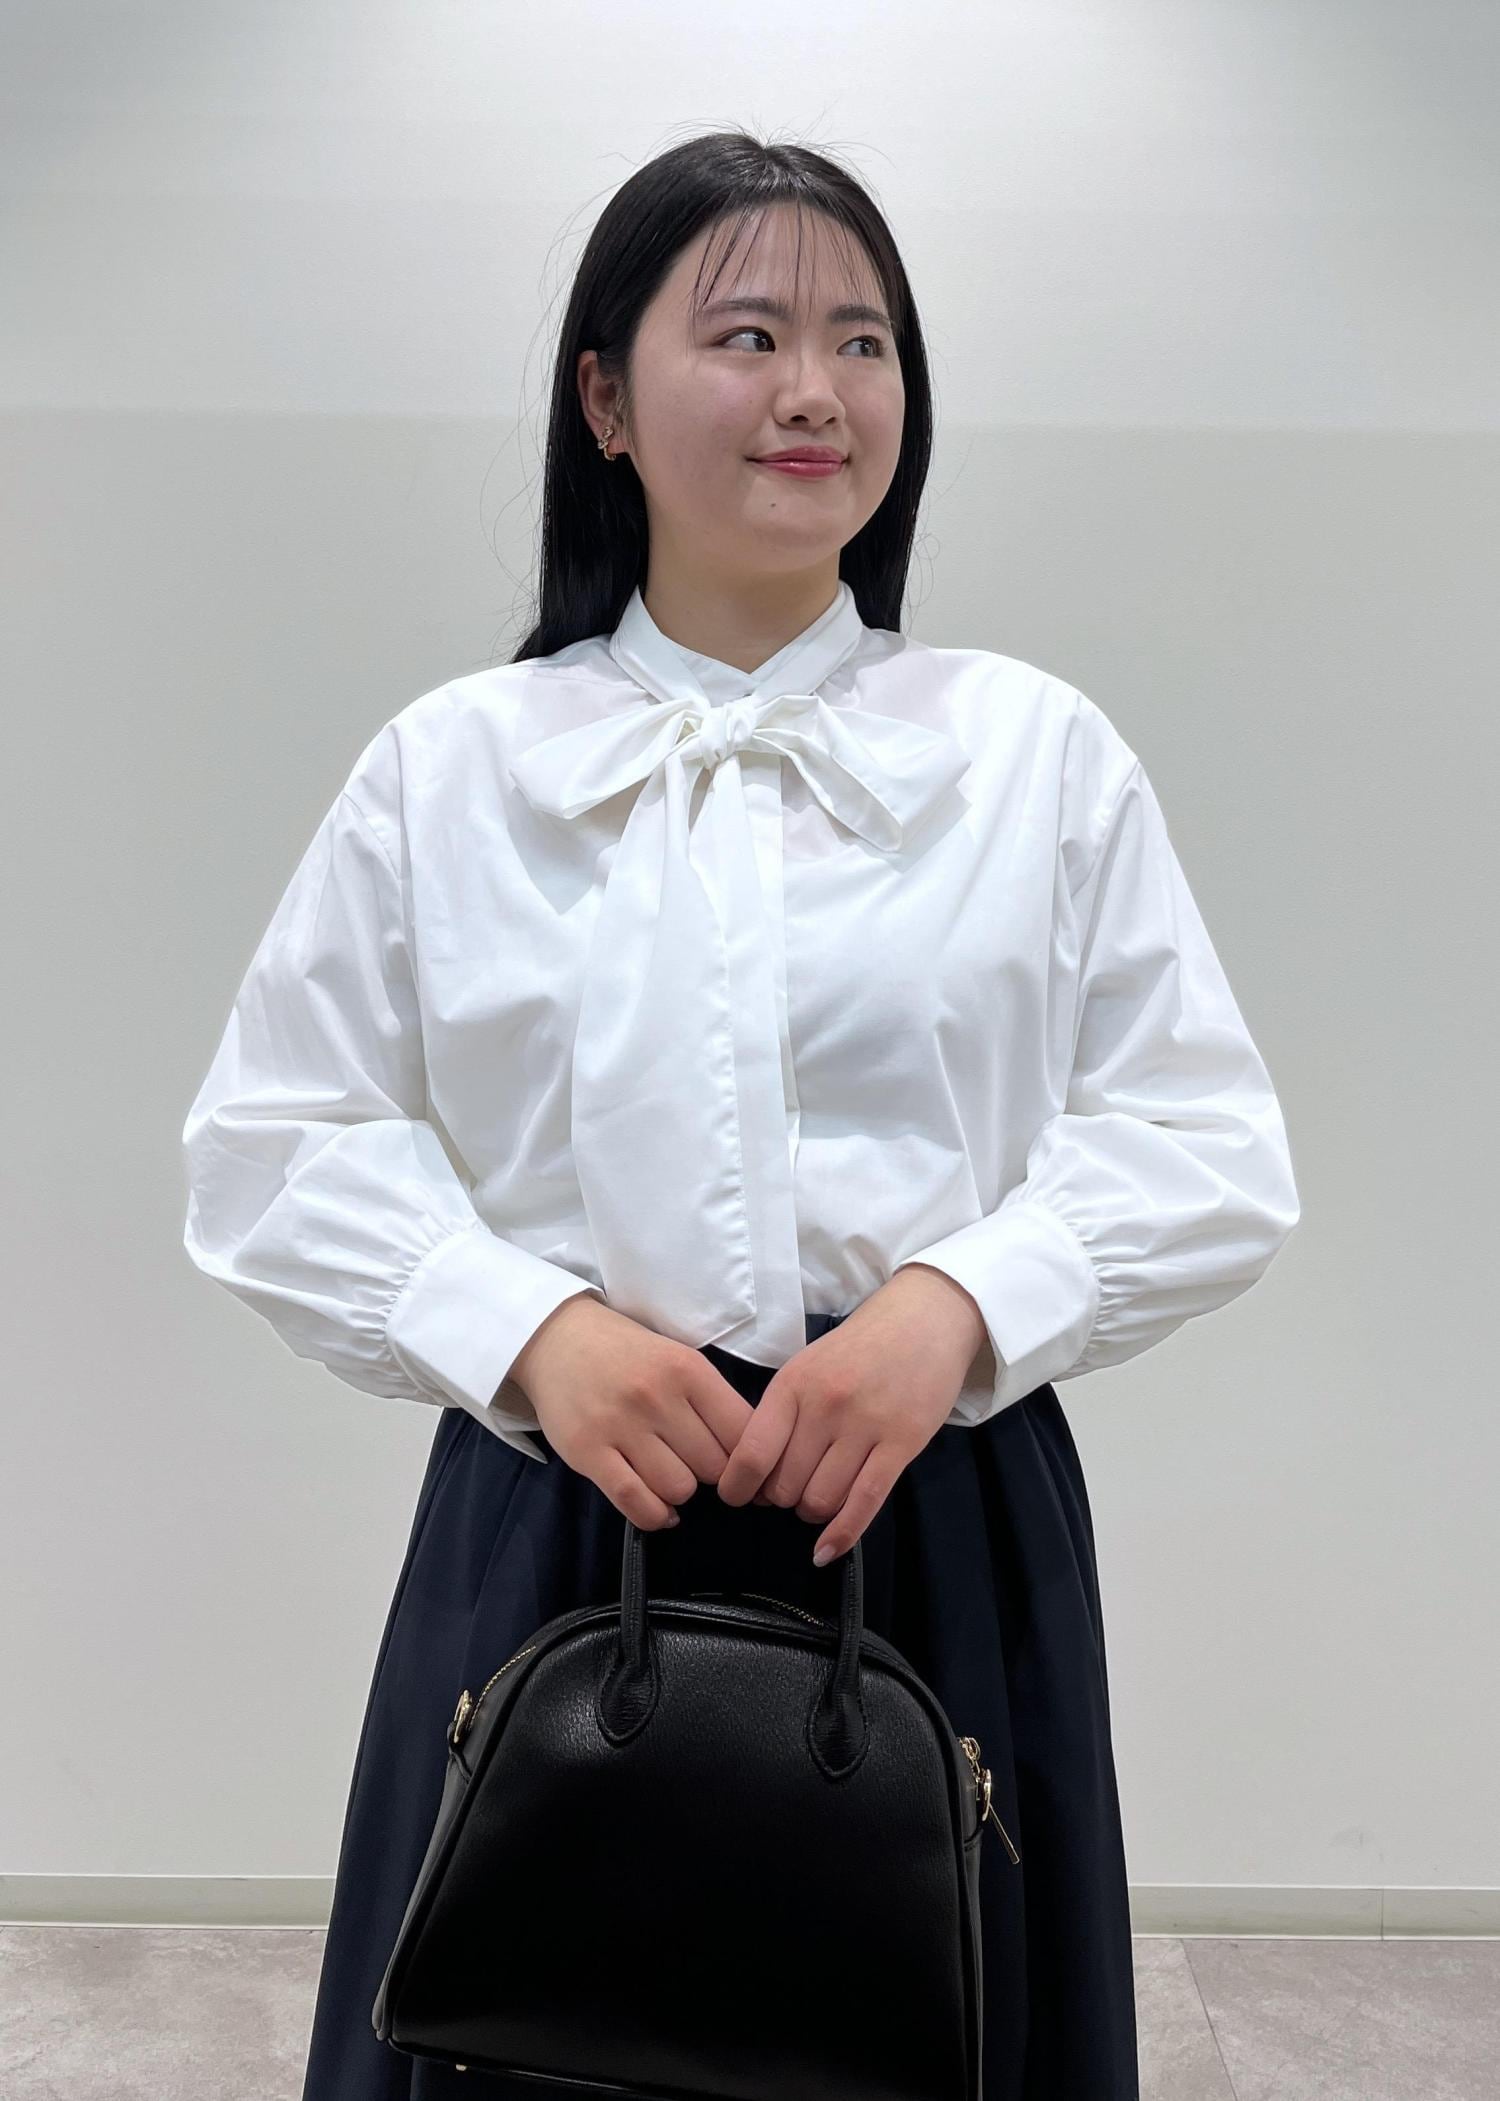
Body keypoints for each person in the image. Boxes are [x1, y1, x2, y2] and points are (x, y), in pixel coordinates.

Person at [180, 130, 1300, 2101]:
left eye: (863, 342)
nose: (816, 391)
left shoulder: (1030, 754)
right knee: (522, 2041)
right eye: (750, 334)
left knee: (949, 2033)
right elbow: (273, 1141)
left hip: (933, 1508)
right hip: (560, 1506)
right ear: (604, 399)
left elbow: (1203, 1136)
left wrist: (956, 1305)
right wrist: (530, 1329)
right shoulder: (457, 767)